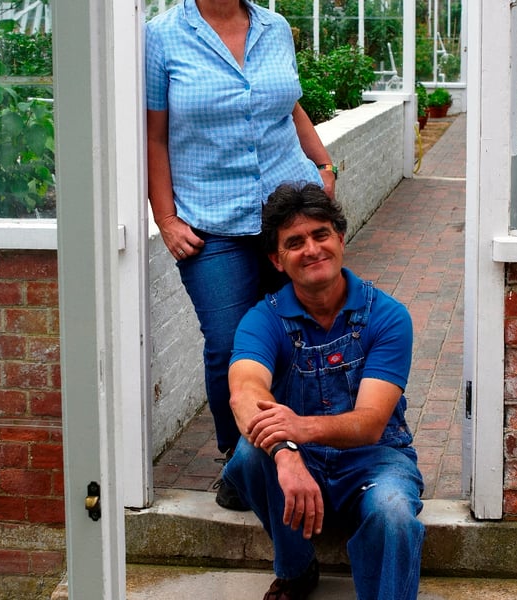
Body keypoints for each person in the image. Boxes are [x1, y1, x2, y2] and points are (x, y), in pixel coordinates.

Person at [144, 0, 337, 510]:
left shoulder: (273, 27)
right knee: (229, 344)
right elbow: (153, 135)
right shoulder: (160, 37)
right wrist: (166, 219)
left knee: (297, 335)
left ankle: (296, 451)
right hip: (212, 221)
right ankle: (240, 460)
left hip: (287, 216)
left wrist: (323, 163)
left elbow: (287, 104)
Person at [222, 183, 425, 600]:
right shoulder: (265, 319)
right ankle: (296, 570)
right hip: (302, 461)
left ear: (340, 238)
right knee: (246, 457)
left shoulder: (386, 316)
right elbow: (244, 392)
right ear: (277, 261)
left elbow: (370, 423)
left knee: (394, 514)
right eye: (295, 243)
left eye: (320, 235)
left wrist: (299, 428)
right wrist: (286, 452)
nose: (312, 249)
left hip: (375, 460)